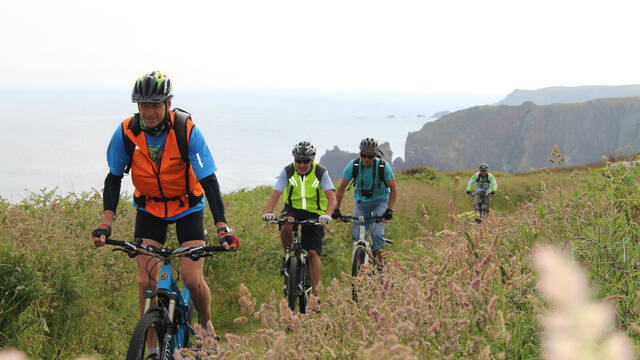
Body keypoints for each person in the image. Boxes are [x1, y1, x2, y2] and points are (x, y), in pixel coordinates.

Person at [91, 71, 239, 346]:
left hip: (187, 207)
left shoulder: (186, 130)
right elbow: (113, 178)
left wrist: (222, 228)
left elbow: (208, 180)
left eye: (155, 105)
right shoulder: (127, 133)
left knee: (193, 280)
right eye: (143, 105)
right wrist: (106, 224)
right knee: (146, 284)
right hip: (149, 209)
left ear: (167, 104)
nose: (148, 112)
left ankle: (206, 324)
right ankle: (152, 348)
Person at [262, 141, 337, 300]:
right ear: (294, 159)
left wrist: (328, 214)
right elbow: (276, 193)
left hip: (315, 212)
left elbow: (331, 197)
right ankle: (288, 256)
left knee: (313, 253)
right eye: (298, 161)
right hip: (293, 209)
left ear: (312, 160)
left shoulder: (321, 172)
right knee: (286, 224)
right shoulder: (288, 171)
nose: (301, 164)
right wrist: (269, 211)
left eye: (305, 161)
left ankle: (315, 295)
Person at [333, 138, 398, 264]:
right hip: (362, 203)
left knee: (377, 234)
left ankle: (381, 265)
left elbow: (393, 188)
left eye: (370, 156)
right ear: (360, 154)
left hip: (381, 202)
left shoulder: (383, 167)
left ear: (375, 155)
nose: (366, 159)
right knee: (357, 236)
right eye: (363, 156)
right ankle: (360, 270)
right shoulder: (354, 165)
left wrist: (389, 210)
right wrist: (336, 209)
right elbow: (341, 188)